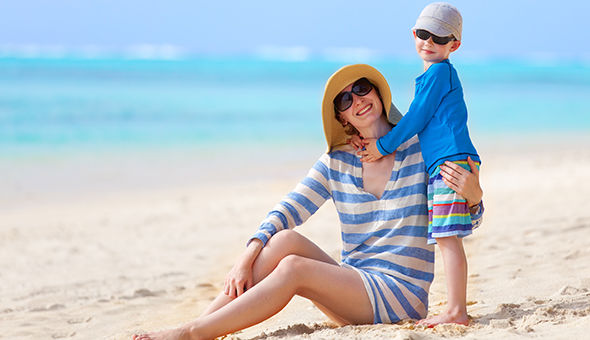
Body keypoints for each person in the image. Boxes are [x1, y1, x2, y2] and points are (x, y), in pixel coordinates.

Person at [132, 64, 483, 340]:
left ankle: (194, 334)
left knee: (294, 269)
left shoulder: (420, 150)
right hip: (354, 285)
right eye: (345, 100)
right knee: (284, 240)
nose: (357, 100)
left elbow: (456, 218)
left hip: (400, 295)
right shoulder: (337, 162)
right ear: (341, 118)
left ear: (378, 93)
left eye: (362, 88)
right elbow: (288, 209)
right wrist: (247, 253)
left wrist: (474, 196)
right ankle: (201, 323)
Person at [356, 2, 481, 327]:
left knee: (446, 238)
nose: (428, 42)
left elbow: (417, 117)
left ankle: (456, 311)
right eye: (423, 34)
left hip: (450, 163)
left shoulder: (440, 73)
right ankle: (456, 308)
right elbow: (419, 121)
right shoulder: (434, 74)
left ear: (454, 45)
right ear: (414, 34)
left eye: (438, 38)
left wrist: (382, 145)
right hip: (446, 162)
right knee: (445, 235)